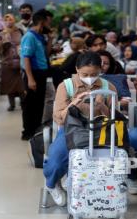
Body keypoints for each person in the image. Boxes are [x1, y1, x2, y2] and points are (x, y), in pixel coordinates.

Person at [43, 52, 117, 206]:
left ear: (100, 70)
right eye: (85, 74)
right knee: (56, 161)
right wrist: (74, 103)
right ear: (77, 69)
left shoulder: (107, 87)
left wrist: (101, 106)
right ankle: (51, 184)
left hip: (99, 130)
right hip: (71, 129)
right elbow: (58, 118)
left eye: (94, 74)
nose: (90, 78)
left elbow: (114, 118)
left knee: (106, 159)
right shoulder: (66, 86)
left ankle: (96, 192)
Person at [20, 10, 51, 140]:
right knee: (30, 104)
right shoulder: (29, 37)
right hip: (33, 73)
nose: (50, 24)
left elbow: (46, 54)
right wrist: (30, 79)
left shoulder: (40, 36)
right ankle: (27, 131)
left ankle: (36, 129)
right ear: (42, 22)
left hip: (42, 73)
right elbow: (26, 58)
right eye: (49, 21)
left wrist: (51, 39)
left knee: (39, 103)